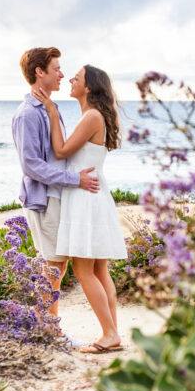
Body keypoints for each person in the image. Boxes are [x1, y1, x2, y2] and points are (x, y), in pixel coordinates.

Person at [36, 64, 127, 354]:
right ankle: (112, 331)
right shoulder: (93, 116)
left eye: (77, 77)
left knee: (84, 268)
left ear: (88, 87)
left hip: (85, 198)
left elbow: (62, 151)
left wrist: (50, 110)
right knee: (100, 269)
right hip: (93, 195)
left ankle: (110, 334)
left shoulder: (91, 116)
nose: (71, 80)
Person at [12, 47, 100, 321]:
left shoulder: (50, 109)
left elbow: (58, 153)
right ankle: (47, 327)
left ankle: (47, 325)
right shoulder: (27, 113)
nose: (62, 74)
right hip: (43, 198)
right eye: (56, 69)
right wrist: (76, 179)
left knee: (56, 266)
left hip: (56, 197)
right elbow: (31, 165)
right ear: (40, 72)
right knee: (53, 266)